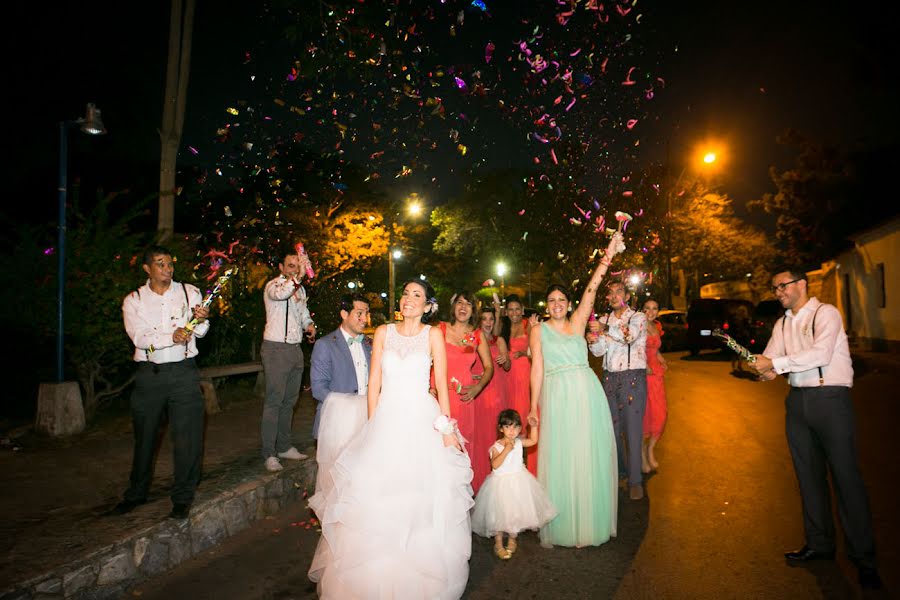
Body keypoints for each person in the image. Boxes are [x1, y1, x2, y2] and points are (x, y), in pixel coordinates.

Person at [308, 279, 474, 598]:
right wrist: (371, 428)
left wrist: (446, 429)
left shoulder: (433, 334)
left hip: (421, 420)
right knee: (378, 499)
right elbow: (374, 383)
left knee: (418, 498)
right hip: (387, 419)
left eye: (417, 295)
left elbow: (439, 384)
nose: (409, 299)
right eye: (406, 294)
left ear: (427, 306)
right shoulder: (383, 332)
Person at [749, 268, 881, 590]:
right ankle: (820, 545)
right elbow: (770, 357)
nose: (778, 291)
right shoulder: (782, 322)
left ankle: (864, 559)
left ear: (802, 284)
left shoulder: (827, 313)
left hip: (830, 399)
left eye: (783, 285)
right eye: (774, 288)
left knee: (846, 478)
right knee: (808, 476)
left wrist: (776, 365)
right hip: (797, 400)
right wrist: (762, 368)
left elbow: (820, 353)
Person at [528, 233, 622, 547]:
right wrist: (532, 407)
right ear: (547, 304)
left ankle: (589, 521)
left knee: (587, 454)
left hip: (585, 393)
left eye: (561, 300)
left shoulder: (579, 321)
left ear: (569, 304)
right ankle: (565, 522)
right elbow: (537, 367)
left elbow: (592, 288)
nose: (556, 305)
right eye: (551, 300)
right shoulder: (538, 330)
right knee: (561, 457)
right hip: (556, 395)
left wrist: (608, 255)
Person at [114, 245, 210, 520]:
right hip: (150, 375)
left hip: (184, 372)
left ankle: (182, 497)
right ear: (147, 269)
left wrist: (201, 320)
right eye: (160, 264)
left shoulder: (189, 291)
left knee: (188, 437)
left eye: (169, 264)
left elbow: (200, 331)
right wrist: (172, 335)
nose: (167, 269)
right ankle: (136, 492)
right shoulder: (134, 300)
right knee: (145, 437)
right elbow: (140, 338)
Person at [588, 280, 648, 500]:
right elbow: (597, 352)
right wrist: (592, 340)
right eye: (610, 293)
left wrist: (604, 330)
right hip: (609, 379)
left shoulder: (638, 317)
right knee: (612, 432)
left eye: (619, 291)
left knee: (632, 431)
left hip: (633, 378)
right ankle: (621, 472)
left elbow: (629, 337)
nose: (614, 296)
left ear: (627, 295)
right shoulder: (603, 319)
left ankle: (635, 481)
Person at [471, 409, 557, 560]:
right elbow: (495, 465)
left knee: (515, 513)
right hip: (500, 486)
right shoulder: (496, 446)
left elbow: (533, 441)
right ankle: (498, 543)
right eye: (508, 427)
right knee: (499, 515)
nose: (512, 431)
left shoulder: (518, 442)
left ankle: (512, 539)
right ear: (501, 428)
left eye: (516, 427)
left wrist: (534, 427)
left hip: (519, 483)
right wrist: (506, 450)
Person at [260, 248, 317, 473]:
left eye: (298, 264)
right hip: (275, 349)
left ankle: (283, 446)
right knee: (274, 401)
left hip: (295, 350)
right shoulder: (274, 285)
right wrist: (299, 276)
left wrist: (309, 325)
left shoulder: (299, 289)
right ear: (281, 268)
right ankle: (269, 453)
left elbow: (303, 313)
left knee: (290, 401)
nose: (295, 269)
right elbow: (281, 294)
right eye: (291, 265)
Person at [309, 294, 371, 498]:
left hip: (368, 424)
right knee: (336, 489)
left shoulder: (370, 345)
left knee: (363, 484)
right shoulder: (325, 345)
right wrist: (350, 409)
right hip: (337, 426)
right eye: (359, 313)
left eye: (367, 313)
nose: (365, 318)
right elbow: (319, 389)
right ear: (344, 314)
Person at [436, 291, 494, 455]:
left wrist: (478, 388)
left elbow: (489, 367)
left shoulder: (477, 334)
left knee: (463, 448)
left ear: (473, 310)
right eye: (460, 303)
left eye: (468, 304)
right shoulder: (439, 330)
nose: (463, 307)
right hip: (439, 396)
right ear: (453, 306)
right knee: (439, 446)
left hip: (464, 399)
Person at [470, 303, 510, 492]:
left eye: (491, 319)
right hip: (479, 393)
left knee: (495, 435)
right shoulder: (472, 339)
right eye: (484, 319)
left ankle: (497, 484)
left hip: (497, 393)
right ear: (479, 320)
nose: (488, 322)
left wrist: (506, 360)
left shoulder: (499, 340)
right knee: (479, 437)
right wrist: (473, 375)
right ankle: (478, 481)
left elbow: (508, 366)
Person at [498, 294, 539, 475]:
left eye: (517, 309)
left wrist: (524, 353)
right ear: (506, 312)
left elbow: (536, 350)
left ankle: (528, 464)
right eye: (511, 309)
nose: (514, 312)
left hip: (525, 376)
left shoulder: (528, 325)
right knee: (512, 418)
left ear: (522, 310)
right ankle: (512, 462)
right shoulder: (504, 329)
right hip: (509, 377)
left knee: (525, 416)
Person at [641, 299, 668, 473]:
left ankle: (650, 449)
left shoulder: (656, 326)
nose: (650, 312)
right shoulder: (637, 326)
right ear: (642, 310)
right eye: (647, 308)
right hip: (643, 375)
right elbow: (632, 349)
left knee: (660, 415)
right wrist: (644, 365)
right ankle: (642, 455)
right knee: (646, 417)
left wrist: (660, 358)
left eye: (654, 308)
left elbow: (655, 349)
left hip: (657, 375)